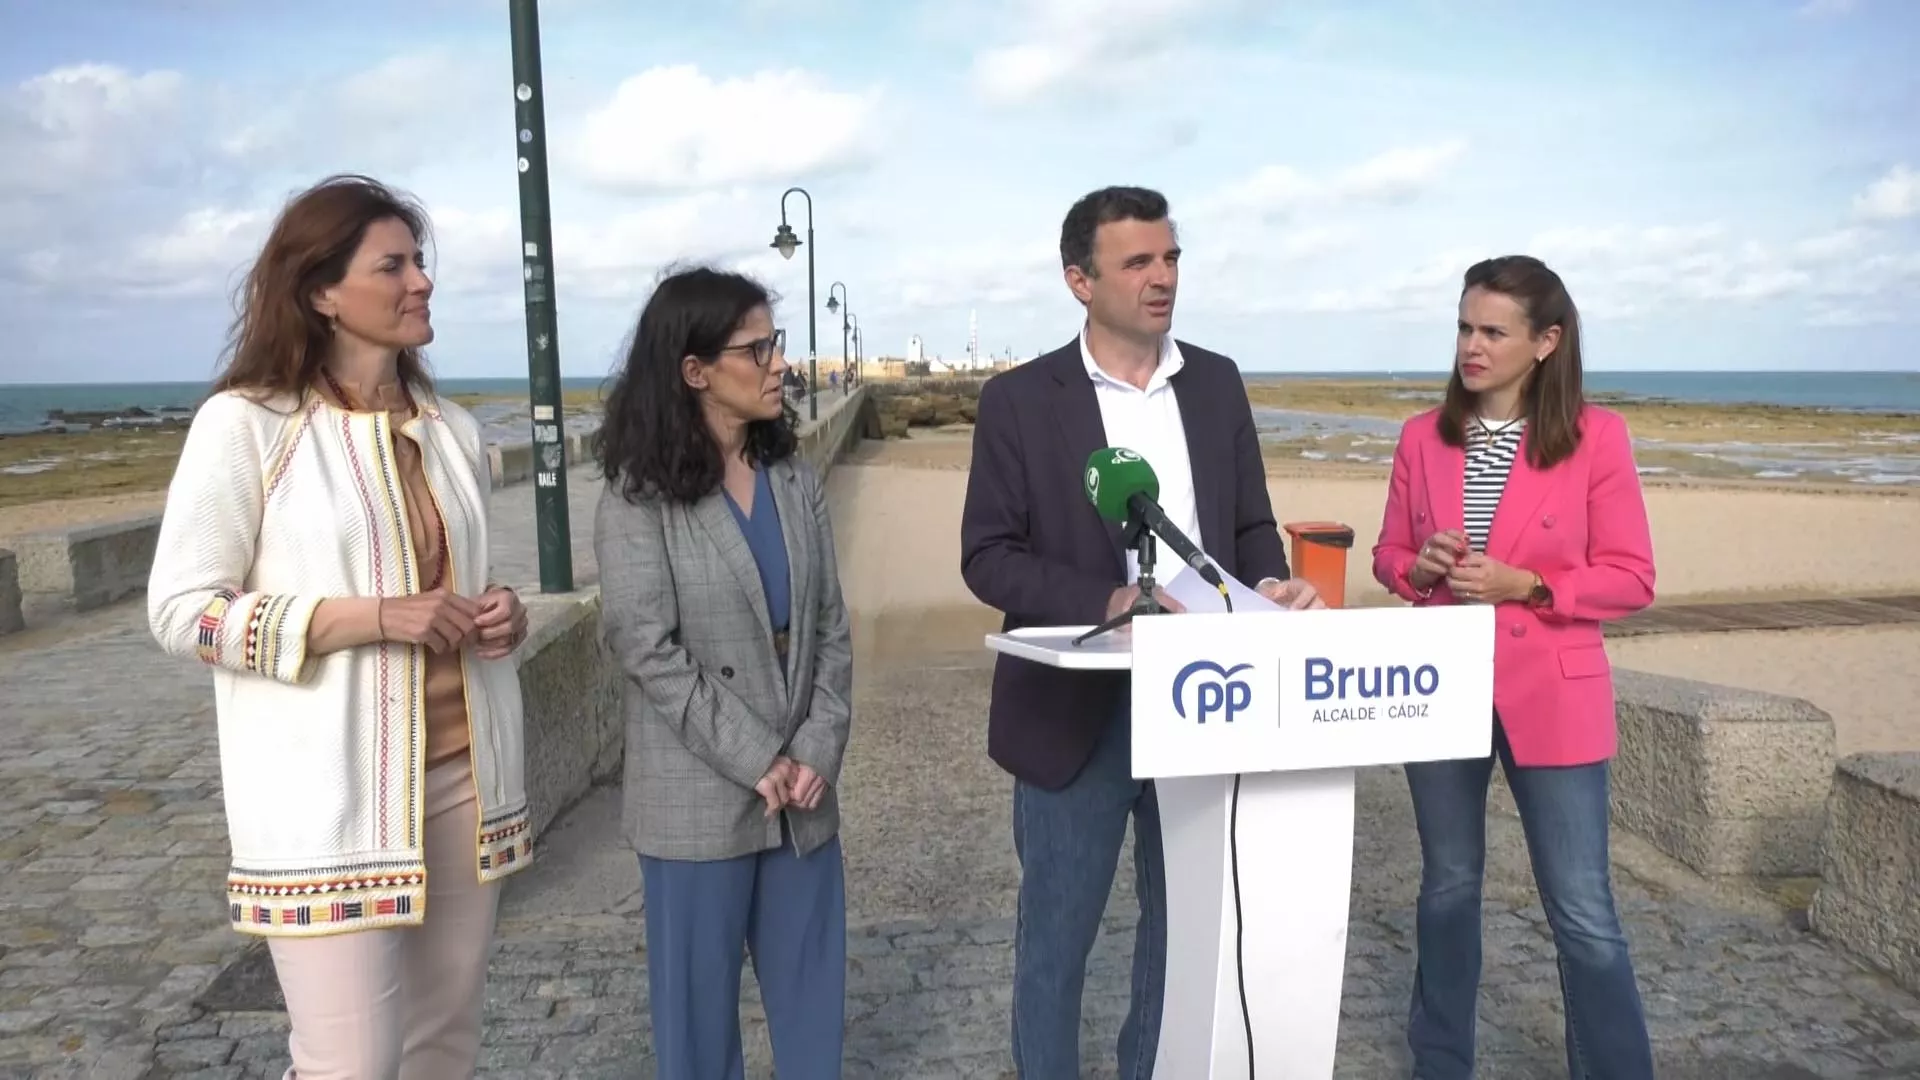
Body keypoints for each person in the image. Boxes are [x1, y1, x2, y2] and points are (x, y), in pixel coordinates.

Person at [146, 173, 533, 1077]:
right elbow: (179, 612)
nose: (421, 282)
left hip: (464, 780)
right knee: (348, 1064)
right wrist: (364, 619)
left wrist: (499, 611)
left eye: (420, 262)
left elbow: (448, 582)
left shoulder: (451, 429)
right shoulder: (244, 427)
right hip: (328, 809)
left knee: (446, 1046)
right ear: (321, 291)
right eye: (392, 265)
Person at [959, 185, 1323, 1078]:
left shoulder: (1218, 380)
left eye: (1170, 259)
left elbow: (1245, 530)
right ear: (1080, 281)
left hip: (1205, 700)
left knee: (1185, 933)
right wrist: (1106, 599)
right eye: (1138, 263)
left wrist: (1272, 582)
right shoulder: (1018, 402)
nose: (1162, 279)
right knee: (1056, 942)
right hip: (1075, 711)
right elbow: (988, 558)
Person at [1371, 255, 1657, 1080]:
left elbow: (1632, 577)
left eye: (1493, 331)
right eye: (1464, 326)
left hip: (1555, 698)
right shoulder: (1421, 437)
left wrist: (1527, 583)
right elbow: (1390, 554)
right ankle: (1440, 1064)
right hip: (1442, 689)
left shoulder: (1598, 436)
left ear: (1546, 341)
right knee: (1448, 889)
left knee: (1583, 910)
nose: (1472, 345)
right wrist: (1418, 567)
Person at [593, 266, 853, 1079]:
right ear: (694, 370)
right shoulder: (638, 498)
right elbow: (646, 649)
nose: (780, 363)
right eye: (758, 348)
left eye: (776, 344)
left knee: (814, 1013)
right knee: (699, 1033)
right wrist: (757, 759)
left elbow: (832, 628)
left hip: (804, 794)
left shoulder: (794, 479)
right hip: (697, 799)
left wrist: (816, 748)